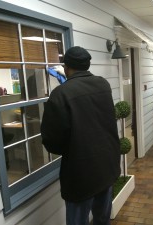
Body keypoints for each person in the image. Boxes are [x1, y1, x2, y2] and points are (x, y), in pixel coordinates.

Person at [41, 46, 121, 225]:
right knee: (102, 219)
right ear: (87, 65)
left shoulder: (61, 94)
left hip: (81, 173)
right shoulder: (103, 84)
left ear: (66, 67)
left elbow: (52, 141)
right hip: (107, 165)